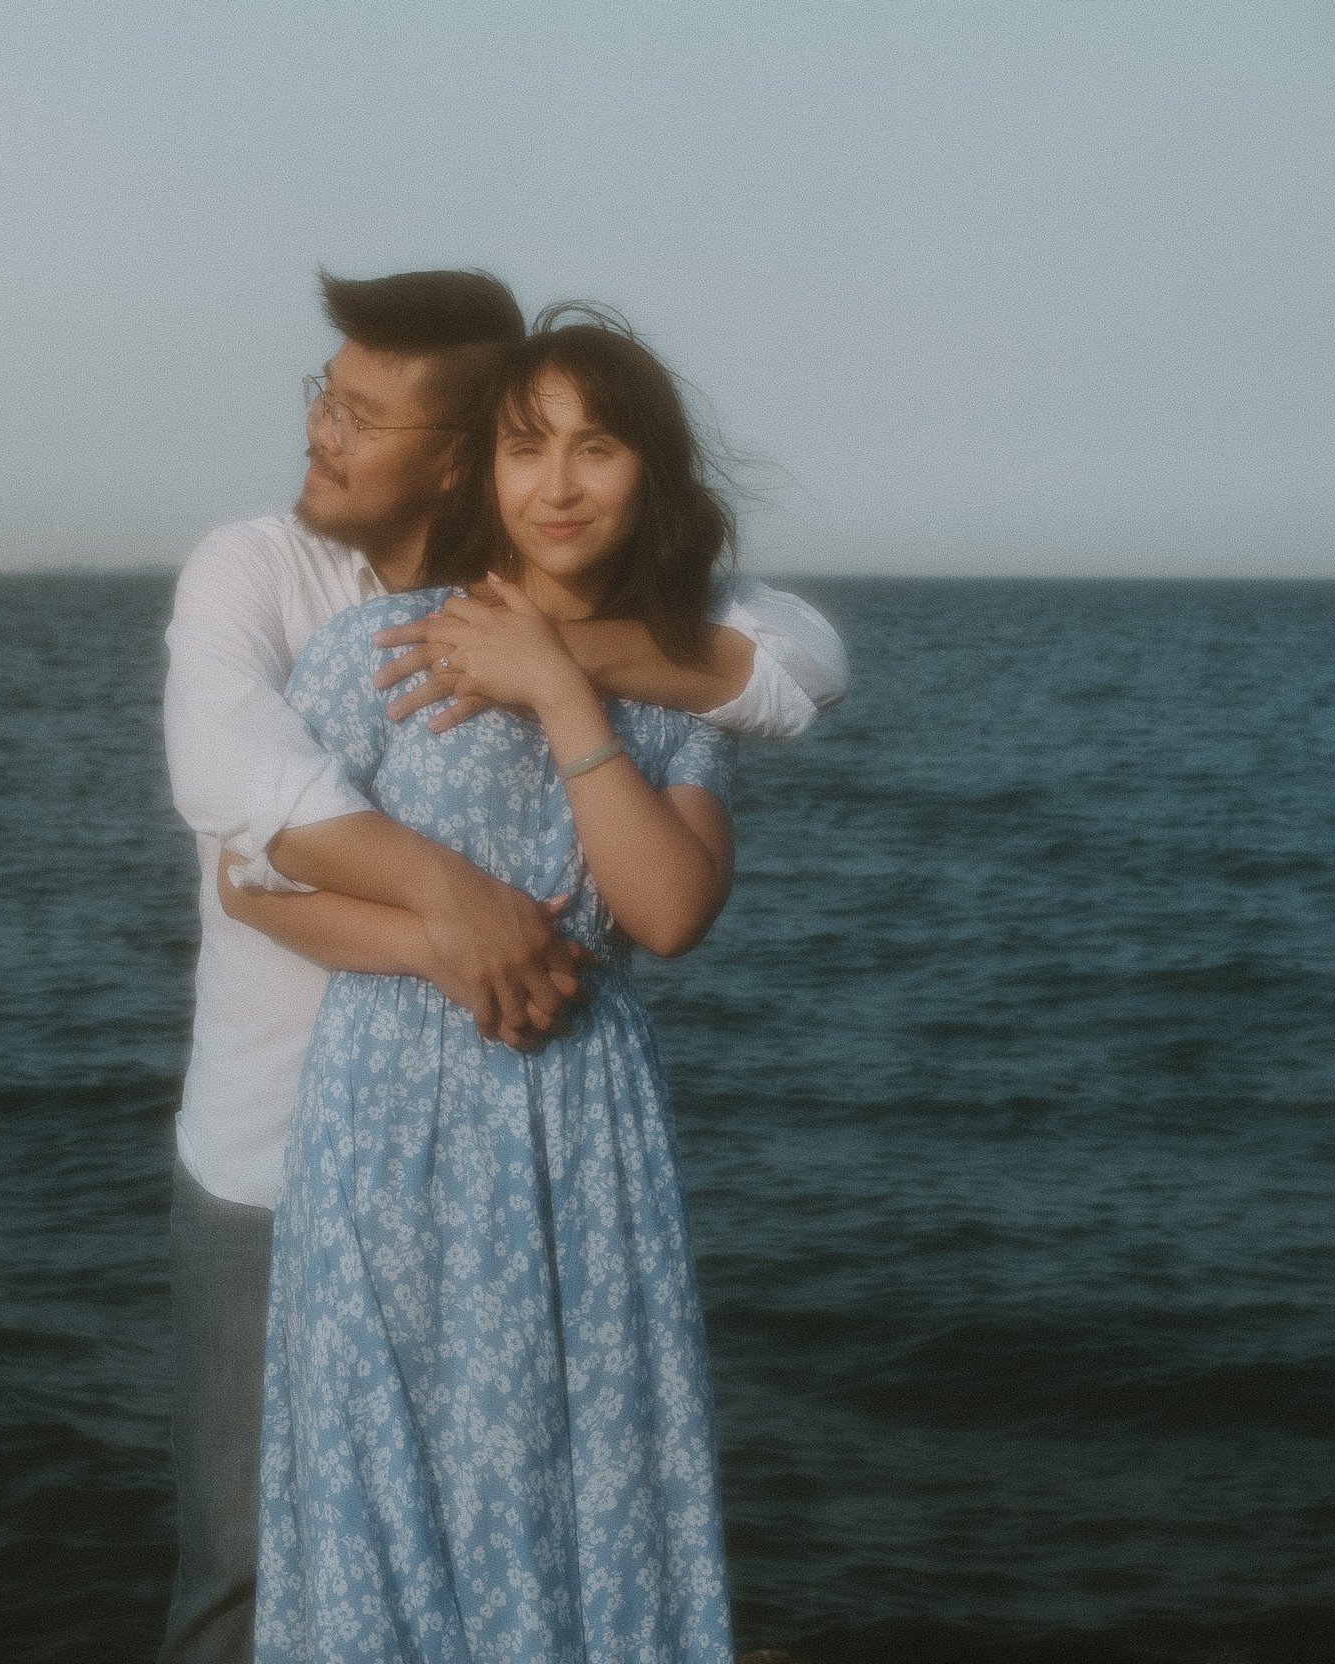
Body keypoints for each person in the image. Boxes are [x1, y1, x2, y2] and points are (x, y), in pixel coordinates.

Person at [159, 271, 846, 1662]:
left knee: (571, 1490)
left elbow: (673, 899)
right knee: (339, 1517)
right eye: (532, 446)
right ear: (487, 465)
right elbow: (254, 862)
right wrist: (453, 929)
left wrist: (559, 678)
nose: (560, 481)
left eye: (597, 446)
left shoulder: (666, 678)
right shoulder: (353, 631)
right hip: (349, 1134)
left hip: (579, 1142)